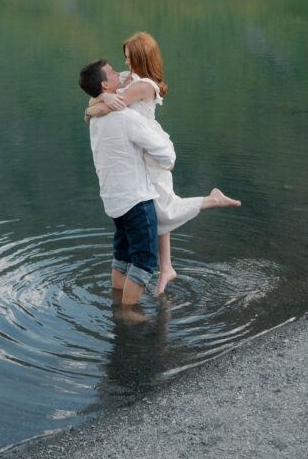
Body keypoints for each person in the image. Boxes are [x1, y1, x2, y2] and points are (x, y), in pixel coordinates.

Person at [85, 32, 241, 295]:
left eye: (128, 57)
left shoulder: (145, 85)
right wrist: (95, 103)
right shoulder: (128, 78)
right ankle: (167, 267)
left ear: (140, 57)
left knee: (163, 210)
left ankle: (211, 201)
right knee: (159, 211)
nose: (124, 64)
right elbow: (99, 94)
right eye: (124, 58)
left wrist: (99, 104)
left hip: (149, 150)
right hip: (139, 148)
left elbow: (110, 103)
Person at [78, 57, 177, 306]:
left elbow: (92, 109)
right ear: (104, 86)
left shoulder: (95, 120)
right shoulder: (127, 119)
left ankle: (116, 301)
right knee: (144, 261)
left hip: (112, 199)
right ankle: (128, 312)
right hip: (136, 199)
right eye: (112, 73)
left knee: (122, 255)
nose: (118, 75)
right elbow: (166, 155)